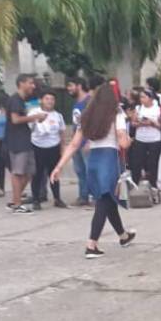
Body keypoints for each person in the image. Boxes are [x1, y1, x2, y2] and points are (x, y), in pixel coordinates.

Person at [51, 84, 135, 259]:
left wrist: (59, 166)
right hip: (109, 159)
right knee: (104, 201)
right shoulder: (117, 113)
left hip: (94, 160)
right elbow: (122, 142)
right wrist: (130, 138)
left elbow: (74, 144)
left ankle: (123, 236)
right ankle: (92, 244)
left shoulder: (87, 115)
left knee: (107, 199)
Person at [5, 74, 41, 214]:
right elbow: (15, 119)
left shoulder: (23, 100)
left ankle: (15, 199)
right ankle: (17, 204)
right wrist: (34, 117)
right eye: (30, 83)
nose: (33, 86)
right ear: (21, 84)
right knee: (18, 172)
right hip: (17, 141)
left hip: (26, 140)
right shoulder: (15, 100)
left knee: (30, 171)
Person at [28, 92, 66, 209]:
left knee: (54, 174)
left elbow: (62, 133)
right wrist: (36, 120)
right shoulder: (34, 113)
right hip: (37, 147)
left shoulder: (58, 116)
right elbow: (28, 129)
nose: (50, 101)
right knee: (37, 175)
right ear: (41, 100)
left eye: (52, 99)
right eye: (47, 99)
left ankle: (57, 199)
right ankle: (36, 200)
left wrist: (62, 150)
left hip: (54, 147)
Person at [128, 89, 161, 189]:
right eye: (141, 97)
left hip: (155, 139)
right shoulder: (138, 108)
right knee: (137, 162)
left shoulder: (158, 109)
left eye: (144, 97)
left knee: (153, 163)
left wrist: (152, 123)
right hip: (140, 139)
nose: (141, 99)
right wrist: (139, 123)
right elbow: (133, 123)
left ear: (151, 98)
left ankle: (153, 185)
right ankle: (135, 183)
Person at [66, 77, 93, 206]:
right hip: (77, 143)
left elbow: (94, 122)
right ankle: (83, 196)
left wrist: (90, 141)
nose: (68, 89)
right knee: (80, 171)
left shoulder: (89, 101)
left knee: (90, 171)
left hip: (87, 142)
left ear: (79, 86)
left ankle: (94, 197)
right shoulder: (77, 103)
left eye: (71, 85)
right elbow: (75, 124)